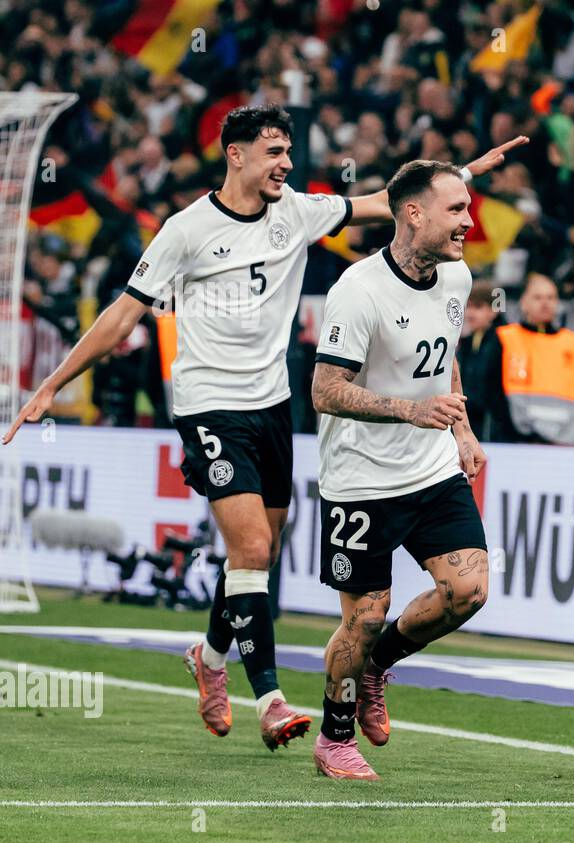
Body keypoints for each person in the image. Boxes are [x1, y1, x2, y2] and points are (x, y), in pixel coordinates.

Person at [4, 104, 525, 753]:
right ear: (237, 155)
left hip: (272, 405)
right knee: (251, 551)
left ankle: (209, 657)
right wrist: (52, 383)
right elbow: (121, 316)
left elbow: (381, 204)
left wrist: (456, 178)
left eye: (288, 151)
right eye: (274, 151)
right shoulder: (187, 230)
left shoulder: (298, 213)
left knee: (260, 553)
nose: (285, 163)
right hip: (207, 405)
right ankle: (272, 701)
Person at [310, 160, 488, 781]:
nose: (469, 221)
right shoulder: (357, 291)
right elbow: (326, 390)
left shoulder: (457, 277)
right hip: (359, 478)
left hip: (432, 468)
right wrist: (412, 411)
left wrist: (461, 429)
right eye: (457, 209)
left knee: (468, 591)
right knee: (364, 614)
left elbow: (447, 357)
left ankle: (378, 666)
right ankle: (334, 739)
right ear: (413, 213)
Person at [481, 274, 574, 445]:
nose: (545, 303)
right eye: (537, 297)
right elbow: (491, 389)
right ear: (523, 302)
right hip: (517, 441)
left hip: (565, 442)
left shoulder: (573, 343)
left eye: (551, 297)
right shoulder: (505, 338)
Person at [455, 279, 503, 437]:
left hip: (491, 425)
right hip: (474, 420)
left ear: (494, 310)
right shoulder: (468, 342)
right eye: (468, 306)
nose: (470, 313)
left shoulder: (502, 340)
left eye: (478, 307)